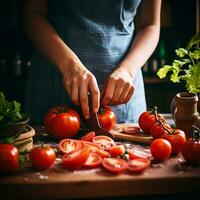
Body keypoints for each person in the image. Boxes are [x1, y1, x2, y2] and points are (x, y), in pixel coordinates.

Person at [22, 0, 162, 125]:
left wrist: (127, 70)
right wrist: (68, 64)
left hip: (125, 87)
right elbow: (32, 13)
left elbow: (150, 25)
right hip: (53, 81)